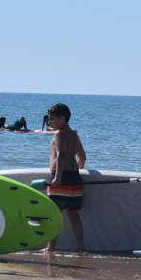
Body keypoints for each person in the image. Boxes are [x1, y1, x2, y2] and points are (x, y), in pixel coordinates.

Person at [45, 103, 87, 252]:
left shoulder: (59, 134)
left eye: (53, 119)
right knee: (73, 214)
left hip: (60, 178)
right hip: (74, 178)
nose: (50, 122)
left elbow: (61, 155)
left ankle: (51, 247)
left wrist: (57, 177)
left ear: (62, 118)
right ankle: (81, 247)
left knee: (55, 213)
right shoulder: (74, 134)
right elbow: (82, 156)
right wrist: (78, 169)